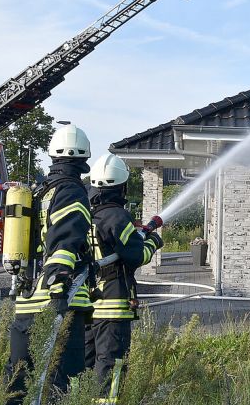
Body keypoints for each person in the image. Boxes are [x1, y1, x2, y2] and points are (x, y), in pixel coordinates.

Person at [6, 123, 94, 404]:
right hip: (57, 298)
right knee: (62, 379)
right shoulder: (71, 191)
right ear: (83, 158)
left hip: (26, 296)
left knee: (19, 376)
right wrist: (59, 287)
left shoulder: (41, 190)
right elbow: (64, 240)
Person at [84, 154, 163, 403]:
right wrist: (152, 241)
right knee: (111, 363)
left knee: (86, 362)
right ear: (122, 186)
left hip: (86, 302)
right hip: (113, 302)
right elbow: (135, 256)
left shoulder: (84, 213)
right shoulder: (118, 216)